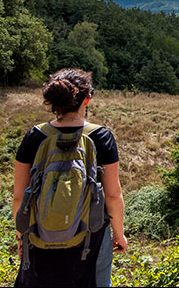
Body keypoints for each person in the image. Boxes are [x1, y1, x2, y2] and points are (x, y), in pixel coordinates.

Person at [13, 68, 127, 287]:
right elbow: (113, 195)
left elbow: (19, 196)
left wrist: (21, 239)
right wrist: (118, 234)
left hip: (38, 235)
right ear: (87, 98)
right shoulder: (101, 137)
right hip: (90, 239)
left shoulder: (34, 136)